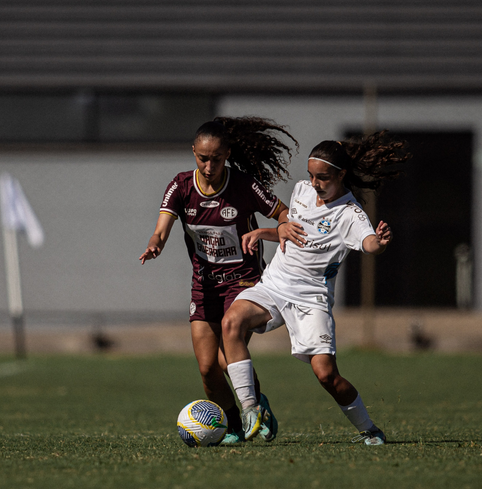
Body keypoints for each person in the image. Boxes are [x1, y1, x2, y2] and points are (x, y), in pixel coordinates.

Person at [221, 130, 410, 445]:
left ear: (341, 175)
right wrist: (268, 231)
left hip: (311, 299)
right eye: (311, 175)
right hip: (275, 284)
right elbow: (293, 232)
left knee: (326, 375)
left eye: (322, 177)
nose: (314, 183)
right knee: (231, 322)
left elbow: (369, 243)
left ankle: (369, 429)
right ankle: (251, 409)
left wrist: (379, 242)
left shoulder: (350, 214)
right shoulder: (301, 191)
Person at [140, 116, 298, 444]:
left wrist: (281, 227)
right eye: (203, 158)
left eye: (216, 159)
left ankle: (255, 407)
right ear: (193, 152)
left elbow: (282, 212)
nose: (209, 166)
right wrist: (156, 243)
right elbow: (162, 227)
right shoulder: (181, 186)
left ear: (227, 155)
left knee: (228, 354)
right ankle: (236, 427)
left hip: (243, 281)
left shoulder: (243, 185)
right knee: (208, 368)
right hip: (205, 284)